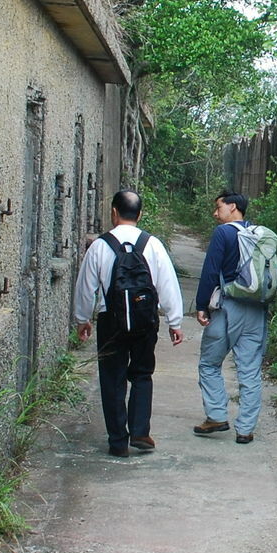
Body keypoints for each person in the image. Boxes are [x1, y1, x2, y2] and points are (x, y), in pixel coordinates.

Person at [73, 189, 183, 457]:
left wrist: (82, 319)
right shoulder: (153, 244)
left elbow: (86, 288)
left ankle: (118, 441)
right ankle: (140, 431)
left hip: (112, 320)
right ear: (140, 214)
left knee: (112, 379)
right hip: (145, 320)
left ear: (113, 212)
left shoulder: (100, 245)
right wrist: (174, 321)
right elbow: (168, 284)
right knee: (143, 374)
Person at [193, 191, 269, 444]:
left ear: (232, 207)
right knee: (249, 370)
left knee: (209, 364)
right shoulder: (259, 234)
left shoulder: (223, 233)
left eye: (218, 208)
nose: (216, 214)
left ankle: (216, 415)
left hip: (228, 308)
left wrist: (202, 305)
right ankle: (246, 429)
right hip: (256, 309)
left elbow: (210, 271)